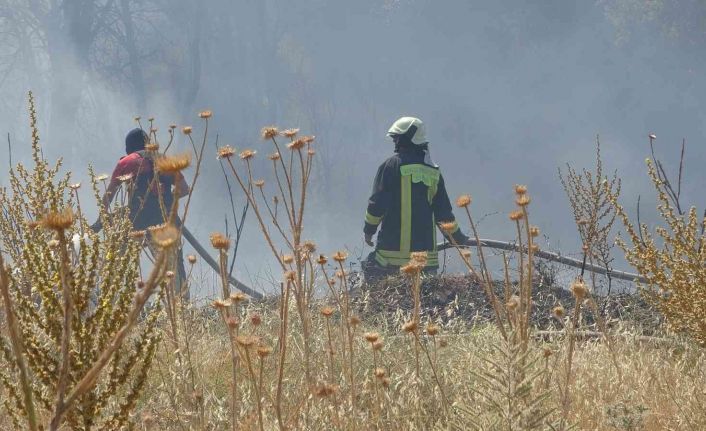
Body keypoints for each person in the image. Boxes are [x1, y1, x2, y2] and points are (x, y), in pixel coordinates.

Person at [363, 116, 469, 279]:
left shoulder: (390, 166)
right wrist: (457, 238)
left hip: (390, 259)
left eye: (396, 138)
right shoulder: (433, 172)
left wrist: (369, 230)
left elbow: (377, 204)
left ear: (407, 138)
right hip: (425, 263)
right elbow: (444, 214)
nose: (394, 142)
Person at [93, 128, 189, 295]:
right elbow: (184, 189)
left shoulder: (126, 162)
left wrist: (100, 221)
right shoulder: (164, 160)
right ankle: (182, 306)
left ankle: (108, 299)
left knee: (116, 264)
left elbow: (109, 194)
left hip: (136, 222)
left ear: (128, 148)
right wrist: (165, 203)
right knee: (173, 269)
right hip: (165, 223)